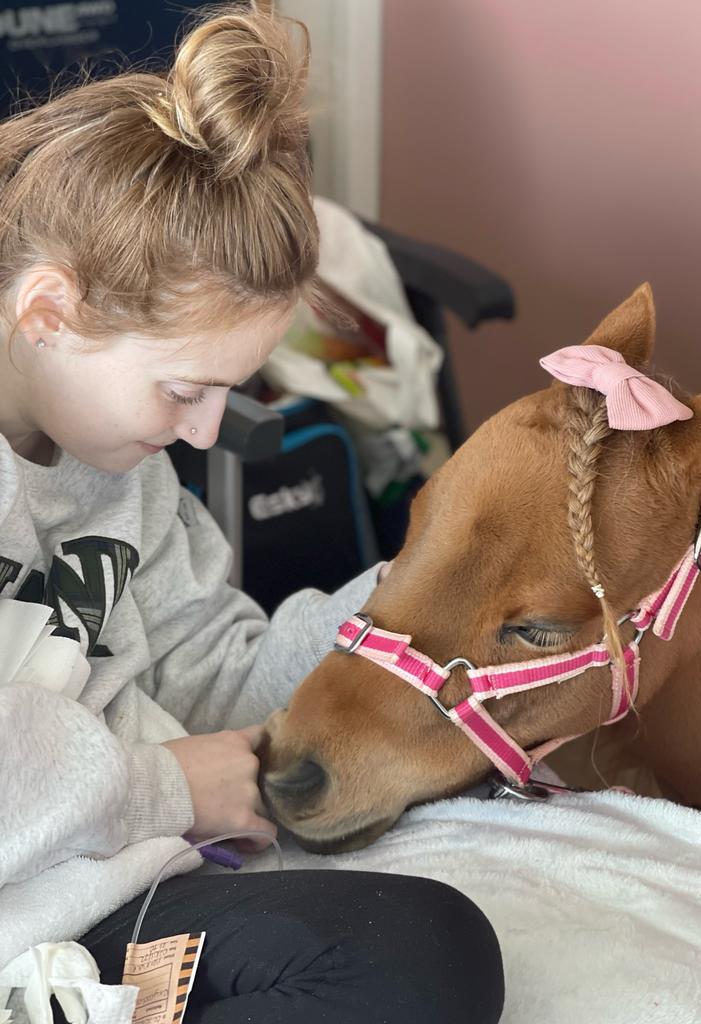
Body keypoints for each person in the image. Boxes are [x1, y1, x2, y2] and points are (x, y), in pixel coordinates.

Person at [0, 3, 505, 1022]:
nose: (204, 434)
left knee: (428, 953)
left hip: (96, 890)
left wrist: (424, 578)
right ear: (48, 312)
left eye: (229, 389)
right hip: (45, 875)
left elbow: (212, 672)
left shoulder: (119, 464)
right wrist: (166, 791)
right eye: (185, 389)